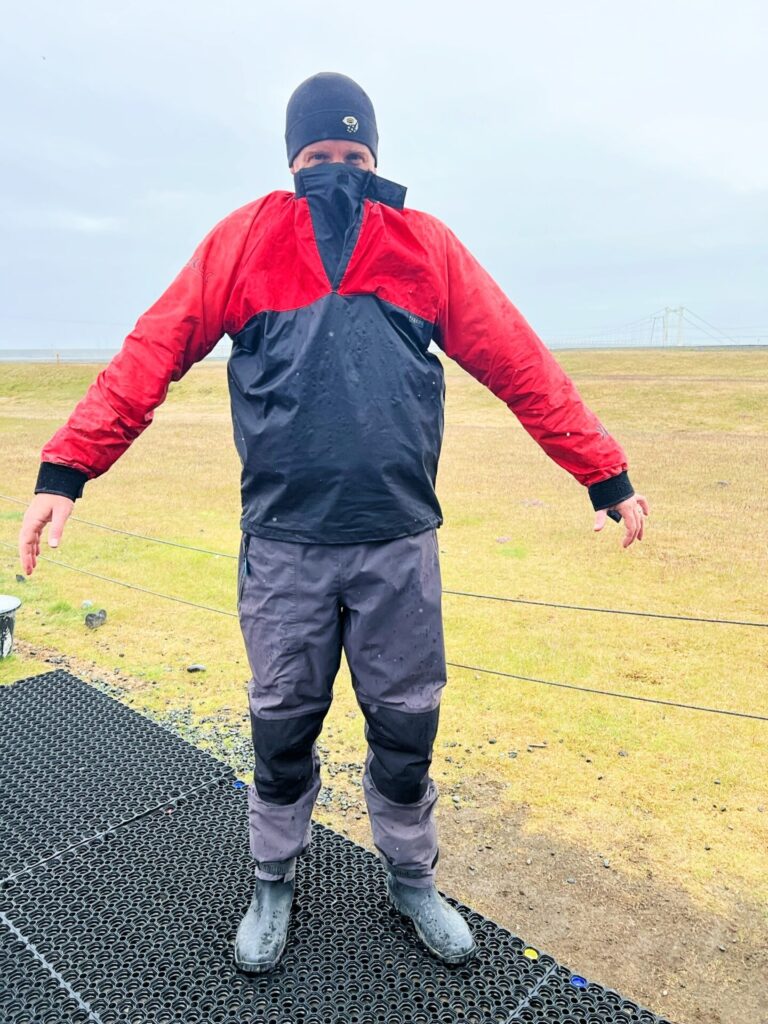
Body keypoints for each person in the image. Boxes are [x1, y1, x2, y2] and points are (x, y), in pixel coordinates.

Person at [18, 72, 649, 974]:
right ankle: (274, 874)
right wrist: (67, 468)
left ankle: (411, 874)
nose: (338, 171)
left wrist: (603, 472)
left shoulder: (424, 245)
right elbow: (151, 351)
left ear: (379, 157)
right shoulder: (244, 240)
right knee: (282, 717)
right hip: (284, 547)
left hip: (397, 543)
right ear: (290, 160)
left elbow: (518, 359)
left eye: (355, 156)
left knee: (406, 720)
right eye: (318, 157)